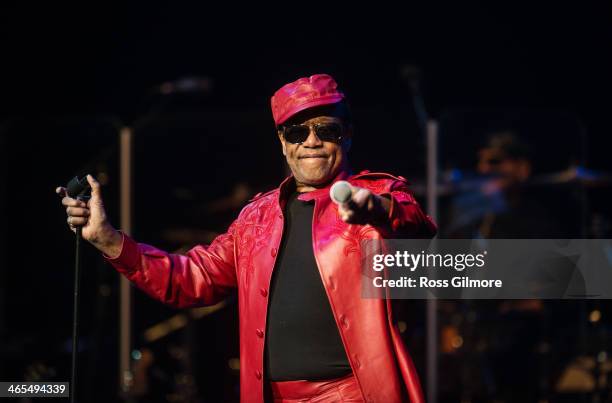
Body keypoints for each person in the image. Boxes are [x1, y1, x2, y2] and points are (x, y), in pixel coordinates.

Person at [57, 74, 437, 402]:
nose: (311, 141)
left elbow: (415, 224)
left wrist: (377, 210)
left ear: (348, 136)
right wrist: (108, 240)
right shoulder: (256, 217)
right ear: (282, 141)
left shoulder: (378, 195)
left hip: (352, 393)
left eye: (327, 129)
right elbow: (192, 279)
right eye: (296, 131)